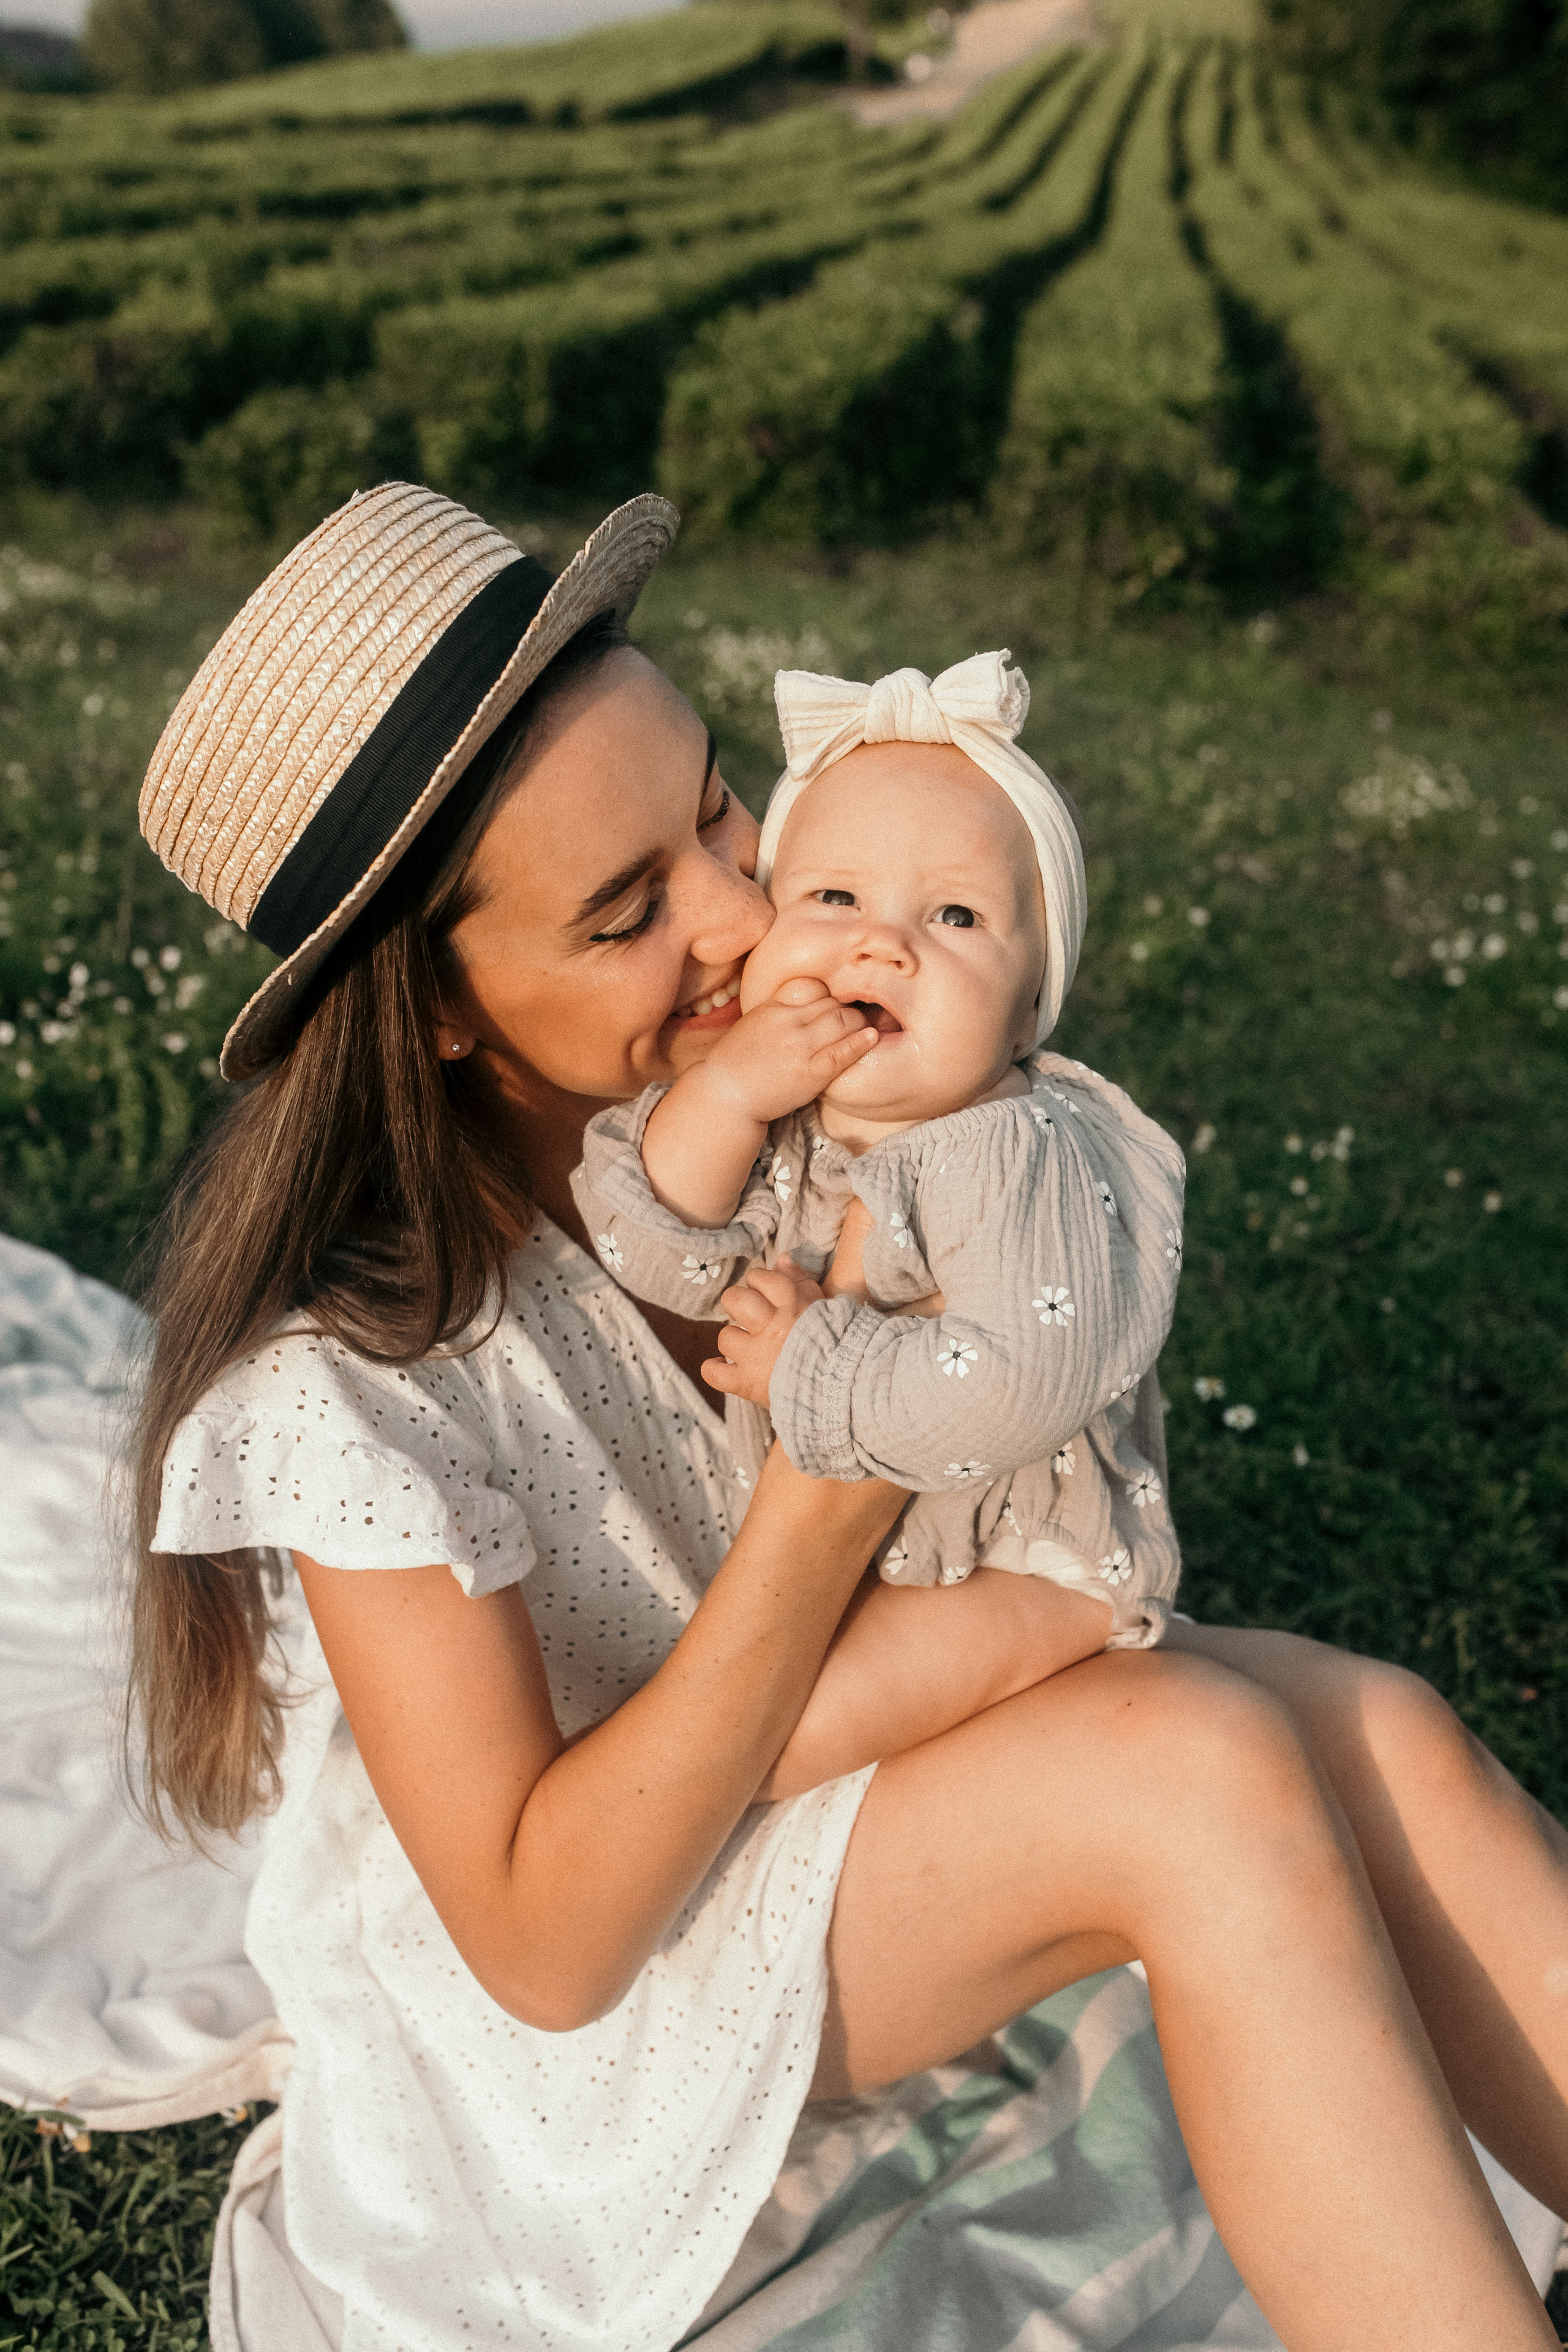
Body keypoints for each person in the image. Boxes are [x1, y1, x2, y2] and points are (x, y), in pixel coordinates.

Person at [130, 481, 1567, 2352]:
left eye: (721, 807)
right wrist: (819, 1502)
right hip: (590, 2014)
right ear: (448, 1024)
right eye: (631, 909)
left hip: (818, 1763)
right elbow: (546, 1947)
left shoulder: (797, 1125)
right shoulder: (361, 1389)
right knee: (1197, 1771)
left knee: (1374, 1734)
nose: (744, 915)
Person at [571, 647, 1184, 1670]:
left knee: (763, 1747)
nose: (882, 947)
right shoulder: (792, 1122)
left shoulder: (1016, 1149)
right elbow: (658, 1249)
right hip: (888, 1574)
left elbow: (1029, 1378)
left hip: (1015, 1574)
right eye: (834, 899)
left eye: (956, 916)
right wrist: (726, 1092)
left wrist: (814, 1364)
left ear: (1031, 1009)